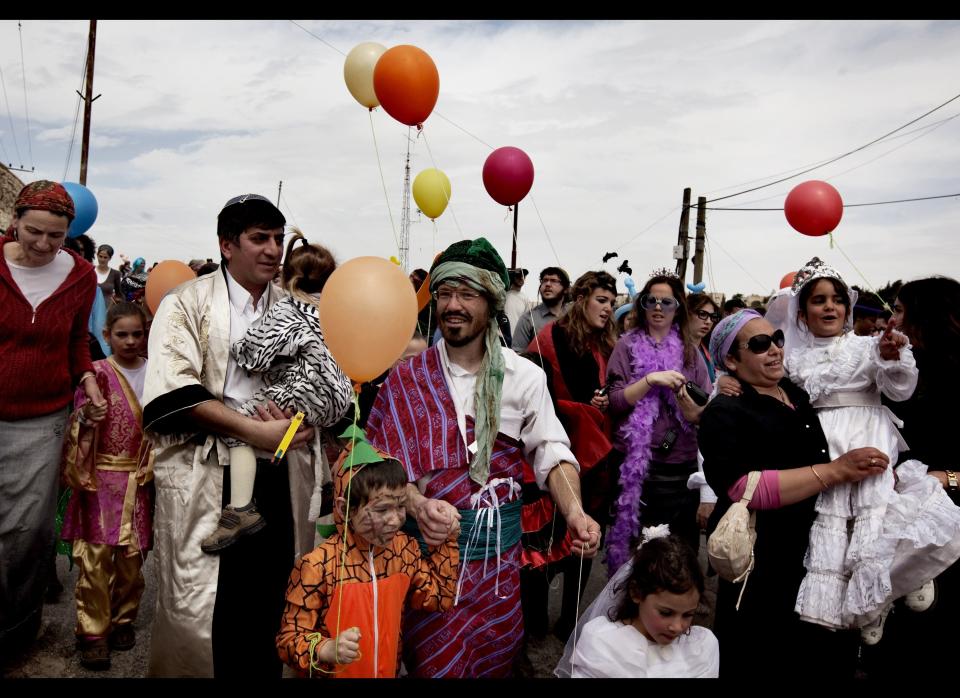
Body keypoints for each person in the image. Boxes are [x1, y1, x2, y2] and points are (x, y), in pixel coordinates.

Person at [365, 237, 600, 677]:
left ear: (492, 302)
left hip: (498, 574)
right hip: (427, 570)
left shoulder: (524, 377)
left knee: (498, 662)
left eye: (467, 294)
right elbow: (378, 464)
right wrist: (416, 506)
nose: (453, 305)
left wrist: (576, 513)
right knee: (435, 665)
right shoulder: (406, 378)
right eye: (444, 293)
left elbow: (552, 451)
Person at [141, 193, 318, 677]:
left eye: (278, 238)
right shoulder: (186, 304)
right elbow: (170, 391)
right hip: (207, 475)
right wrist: (255, 432)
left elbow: (321, 382)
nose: (272, 249)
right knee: (209, 608)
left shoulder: (297, 311)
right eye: (259, 238)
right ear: (226, 245)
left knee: (275, 591)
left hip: (281, 473)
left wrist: (296, 419)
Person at [776, 258, 960, 642]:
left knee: (873, 521)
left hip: (878, 449)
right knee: (836, 531)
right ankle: (859, 608)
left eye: (838, 300)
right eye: (818, 301)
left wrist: (947, 477)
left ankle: (885, 593)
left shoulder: (871, 349)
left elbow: (896, 383)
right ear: (801, 313)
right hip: (827, 452)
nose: (829, 307)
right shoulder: (794, 358)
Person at [699, 309, 883, 677]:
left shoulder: (798, 393)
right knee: (761, 656)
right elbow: (740, 487)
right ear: (731, 360)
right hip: (763, 562)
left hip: (813, 553)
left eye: (778, 339)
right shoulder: (726, 410)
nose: (775, 350)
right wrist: (835, 471)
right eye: (760, 344)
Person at [0, 180, 104, 660]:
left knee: (28, 533)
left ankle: (16, 634)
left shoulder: (81, 277)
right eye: (34, 232)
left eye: (55, 237)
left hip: (42, 419)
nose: (43, 245)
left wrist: (86, 377)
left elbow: (77, 342)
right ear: (14, 222)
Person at [200, 229, 352, 553]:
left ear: (289, 278)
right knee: (299, 430)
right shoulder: (335, 310)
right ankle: (323, 484)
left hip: (309, 386)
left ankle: (241, 509)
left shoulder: (289, 309)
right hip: (338, 393)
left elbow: (258, 353)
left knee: (239, 424)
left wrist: (238, 349)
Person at [276, 436, 459, 678]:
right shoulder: (318, 565)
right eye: (382, 510)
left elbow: (439, 598)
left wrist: (446, 539)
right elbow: (288, 641)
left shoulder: (404, 552)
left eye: (400, 506)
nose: (395, 520)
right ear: (344, 509)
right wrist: (325, 648)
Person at [862, 276, 960, 677]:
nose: (890, 320)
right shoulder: (891, 370)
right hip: (889, 518)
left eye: (899, 311)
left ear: (926, 318)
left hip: (945, 527)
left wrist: (947, 478)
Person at [523, 270, 617, 640]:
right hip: (554, 450)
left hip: (596, 457)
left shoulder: (608, 343)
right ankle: (533, 626)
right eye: (601, 300)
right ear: (581, 300)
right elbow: (535, 394)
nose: (608, 309)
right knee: (546, 540)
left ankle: (570, 620)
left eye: (612, 302)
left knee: (585, 538)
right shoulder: (554, 337)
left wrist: (607, 400)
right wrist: (580, 407)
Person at [60, 302, 154, 670]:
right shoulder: (96, 374)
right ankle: (93, 632)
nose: (130, 341)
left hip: (140, 480)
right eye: (122, 334)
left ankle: (123, 620)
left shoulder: (157, 372)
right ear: (106, 336)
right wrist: (86, 416)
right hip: (101, 481)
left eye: (137, 334)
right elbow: (79, 417)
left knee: (132, 560)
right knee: (96, 560)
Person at [604, 272, 712, 570]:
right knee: (637, 555)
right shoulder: (626, 346)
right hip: (637, 466)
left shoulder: (691, 351)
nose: (658, 307)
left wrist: (693, 409)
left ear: (678, 307)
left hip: (682, 469)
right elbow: (614, 402)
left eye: (667, 301)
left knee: (680, 552)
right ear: (642, 304)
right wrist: (650, 380)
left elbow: (707, 411)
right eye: (651, 300)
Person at [556, 525, 719, 678]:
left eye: (688, 615)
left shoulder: (702, 647)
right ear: (636, 593)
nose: (677, 627)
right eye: (666, 613)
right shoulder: (602, 645)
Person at [511, 266, 570, 351]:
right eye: (544, 280)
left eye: (553, 281)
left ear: (566, 289)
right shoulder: (528, 319)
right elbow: (518, 356)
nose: (548, 284)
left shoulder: (574, 315)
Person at [687, 293, 720, 383]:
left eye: (713, 317)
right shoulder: (672, 349)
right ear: (686, 314)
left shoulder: (711, 350)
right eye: (702, 314)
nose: (708, 321)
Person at [504, 267, 530, 333]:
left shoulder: (525, 298)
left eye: (523, 276)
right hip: (503, 337)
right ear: (513, 278)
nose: (521, 278)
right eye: (518, 276)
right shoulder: (504, 295)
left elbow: (526, 321)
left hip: (518, 338)